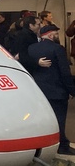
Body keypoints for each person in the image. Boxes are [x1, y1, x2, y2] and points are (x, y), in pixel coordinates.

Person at [28, 25, 75, 155]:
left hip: (39, 91)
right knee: (59, 119)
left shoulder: (31, 48)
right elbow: (64, 72)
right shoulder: (58, 49)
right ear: (50, 35)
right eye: (55, 34)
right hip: (57, 91)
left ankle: (42, 145)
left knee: (42, 119)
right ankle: (62, 145)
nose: (57, 36)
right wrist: (72, 90)